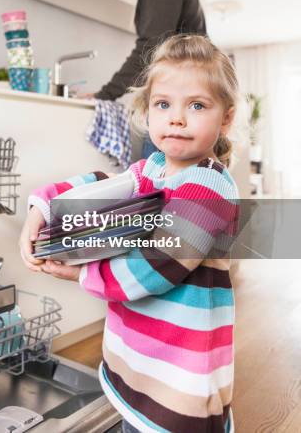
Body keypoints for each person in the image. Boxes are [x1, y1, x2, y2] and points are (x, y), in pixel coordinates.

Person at [20, 34, 240, 433]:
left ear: (225, 118)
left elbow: (156, 266)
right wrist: (43, 205)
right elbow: (102, 182)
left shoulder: (208, 188)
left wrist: (81, 273)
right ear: (148, 112)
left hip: (180, 385)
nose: (176, 117)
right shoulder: (152, 169)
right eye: (163, 104)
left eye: (196, 105)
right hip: (136, 366)